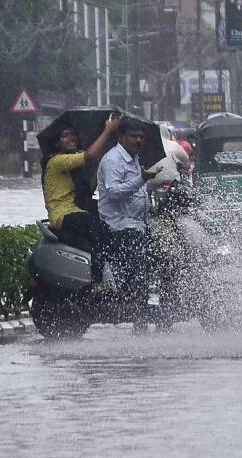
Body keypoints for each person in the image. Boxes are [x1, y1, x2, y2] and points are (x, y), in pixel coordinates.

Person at [97, 118, 161, 322]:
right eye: (133, 136)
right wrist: (142, 179)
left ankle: (155, 309)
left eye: (141, 137)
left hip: (137, 224)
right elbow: (114, 192)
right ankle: (137, 315)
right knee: (137, 273)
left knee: (163, 257)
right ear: (121, 137)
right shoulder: (113, 160)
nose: (138, 140)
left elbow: (137, 189)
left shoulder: (134, 158)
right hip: (119, 225)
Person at [42, 113, 122, 261]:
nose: (71, 138)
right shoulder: (56, 161)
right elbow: (89, 156)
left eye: (73, 134)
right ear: (57, 142)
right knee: (102, 231)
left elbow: (88, 190)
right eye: (65, 136)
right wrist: (107, 131)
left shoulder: (74, 164)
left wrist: (99, 164)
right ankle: (98, 279)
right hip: (64, 214)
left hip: (78, 209)